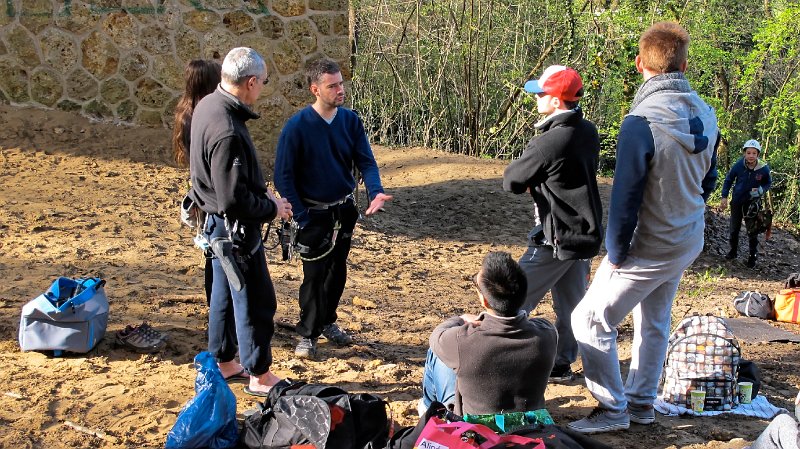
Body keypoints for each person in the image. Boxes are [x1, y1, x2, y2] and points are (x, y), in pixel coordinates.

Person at [568, 21, 719, 433]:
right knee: (654, 319)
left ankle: (613, 409)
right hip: (687, 237)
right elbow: (709, 181)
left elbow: (626, 198)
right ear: (684, 66)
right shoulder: (708, 113)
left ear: (639, 63)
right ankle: (640, 404)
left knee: (589, 319)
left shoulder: (640, 122)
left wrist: (616, 255)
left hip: (651, 243)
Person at [189, 47, 292, 397]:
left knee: (222, 292)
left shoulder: (207, 104)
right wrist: (272, 208)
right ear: (249, 82)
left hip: (214, 225)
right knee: (256, 299)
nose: (262, 88)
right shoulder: (228, 131)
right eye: (262, 82)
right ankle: (259, 374)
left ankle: (223, 360)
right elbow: (234, 200)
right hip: (233, 230)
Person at [274, 58, 392, 359]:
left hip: (344, 210)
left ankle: (327, 321)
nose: (341, 89)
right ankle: (308, 333)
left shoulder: (350, 120)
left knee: (337, 271)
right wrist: (301, 216)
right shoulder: (297, 127)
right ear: (315, 89)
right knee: (314, 275)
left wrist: (375, 191)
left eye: (341, 83)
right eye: (333, 85)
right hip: (311, 213)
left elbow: (365, 160)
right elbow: (283, 177)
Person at [502, 65, 603, 383]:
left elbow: (512, 180)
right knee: (573, 306)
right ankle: (561, 363)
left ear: (557, 102)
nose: (536, 99)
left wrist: (536, 180)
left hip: (555, 237)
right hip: (583, 235)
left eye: (541, 94)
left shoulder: (547, 142)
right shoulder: (587, 131)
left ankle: (500, 357)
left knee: (511, 298)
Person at [420, 251, 557, 419]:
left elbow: (436, 337)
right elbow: (527, 323)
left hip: (477, 433)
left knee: (436, 354)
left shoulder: (462, 340)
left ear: (484, 300)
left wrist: (461, 319)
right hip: (528, 427)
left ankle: (428, 412)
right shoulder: (547, 333)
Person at [720, 139, 772, 268]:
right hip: (737, 201)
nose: (751, 156)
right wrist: (724, 196)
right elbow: (728, 179)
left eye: (754, 153)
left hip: (752, 203)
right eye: (748, 152)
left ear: (758, 154)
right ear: (744, 153)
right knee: (734, 228)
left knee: (752, 230)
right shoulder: (738, 166)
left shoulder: (763, 168)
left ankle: (752, 257)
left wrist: (761, 190)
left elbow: (768, 182)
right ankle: (732, 252)